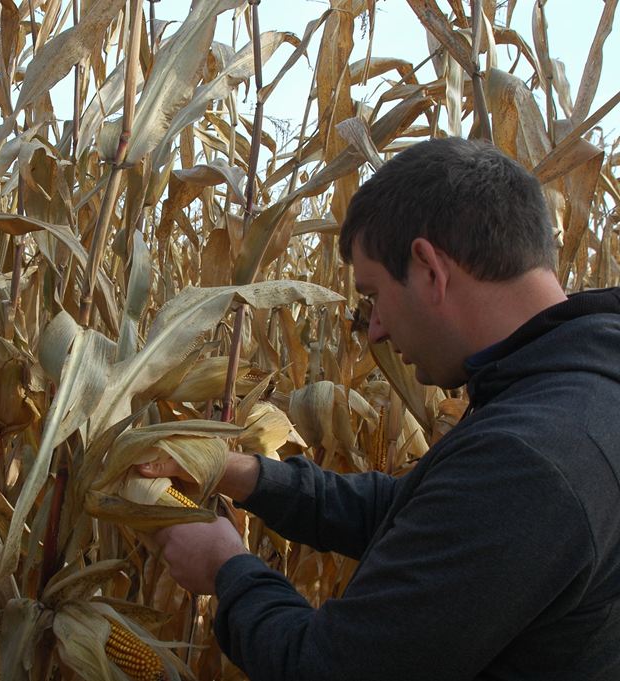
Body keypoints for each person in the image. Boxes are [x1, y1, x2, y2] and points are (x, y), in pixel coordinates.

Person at [142, 138, 620, 679]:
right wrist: (240, 473)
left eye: (373, 296)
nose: (375, 330)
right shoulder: (577, 389)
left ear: (428, 268)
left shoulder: (533, 459)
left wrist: (228, 568)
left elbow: (325, 669)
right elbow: (431, 517)